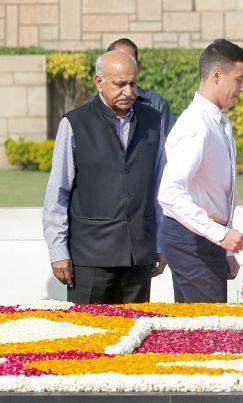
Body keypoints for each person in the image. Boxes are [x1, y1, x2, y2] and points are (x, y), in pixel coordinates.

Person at [42, 50, 165, 304]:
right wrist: (57, 251)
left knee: (137, 337)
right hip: (89, 261)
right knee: (87, 338)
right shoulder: (75, 123)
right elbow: (58, 192)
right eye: (120, 84)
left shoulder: (153, 120)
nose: (129, 91)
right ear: (99, 82)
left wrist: (160, 243)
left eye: (133, 83)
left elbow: (159, 189)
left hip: (138, 259)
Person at [157, 39, 243, 303]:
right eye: (239, 79)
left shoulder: (217, 119)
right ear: (217, 75)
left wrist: (226, 248)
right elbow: (170, 193)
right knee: (206, 331)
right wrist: (220, 234)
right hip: (191, 239)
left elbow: (220, 191)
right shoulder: (197, 124)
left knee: (206, 328)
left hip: (206, 237)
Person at [107, 38, 176, 135]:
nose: (124, 67)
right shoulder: (89, 111)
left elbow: (170, 147)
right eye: (118, 62)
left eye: (130, 62)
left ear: (138, 67)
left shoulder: (157, 105)